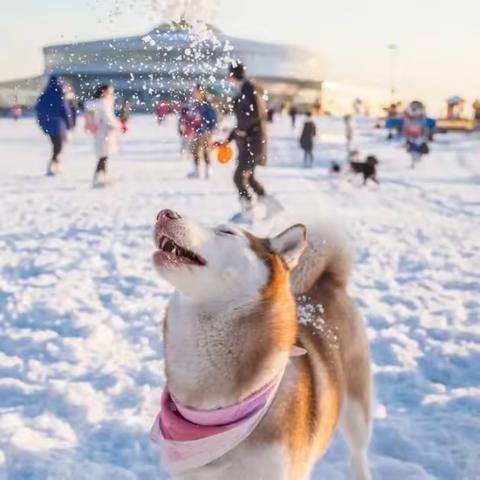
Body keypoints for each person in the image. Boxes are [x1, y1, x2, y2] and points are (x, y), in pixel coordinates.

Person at [224, 61, 282, 222]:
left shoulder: (249, 88)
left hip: (253, 142)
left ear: (232, 75)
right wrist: (229, 138)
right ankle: (271, 207)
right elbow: (245, 118)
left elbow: (256, 114)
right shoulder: (246, 88)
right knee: (248, 178)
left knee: (238, 177)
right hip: (250, 141)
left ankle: (249, 212)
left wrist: (242, 130)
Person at [35, 76, 74, 176]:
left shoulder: (44, 94)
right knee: (58, 147)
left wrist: (42, 123)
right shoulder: (60, 95)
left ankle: (55, 165)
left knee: (56, 146)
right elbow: (66, 110)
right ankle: (53, 166)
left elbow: (39, 110)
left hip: (48, 124)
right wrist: (70, 124)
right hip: (58, 124)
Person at [84, 84, 121, 187]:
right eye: (110, 92)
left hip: (100, 132)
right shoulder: (104, 103)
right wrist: (118, 125)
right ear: (104, 92)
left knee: (103, 156)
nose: (112, 94)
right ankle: (99, 179)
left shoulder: (95, 103)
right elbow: (109, 118)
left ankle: (102, 177)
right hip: (105, 133)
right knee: (103, 156)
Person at [187, 85, 218, 179]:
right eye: (194, 92)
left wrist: (209, 128)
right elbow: (191, 117)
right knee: (195, 150)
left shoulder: (207, 105)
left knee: (206, 150)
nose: (195, 94)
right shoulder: (195, 105)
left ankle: (209, 169)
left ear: (201, 93)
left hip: (206, 131)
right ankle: (196, 170)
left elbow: (213, 118)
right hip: (197, 131)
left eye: (196, 92)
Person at [403, 100, 430, 168]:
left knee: (417, 149)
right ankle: (414, 162)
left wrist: (425, 136)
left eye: (416, 107)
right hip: (411, 137)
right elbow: (405, 127)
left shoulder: (422, 117)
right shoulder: (407, 116)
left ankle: (415, 162)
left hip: (419, 137)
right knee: (413, 150)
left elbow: (424, 127)